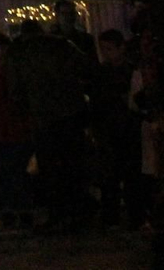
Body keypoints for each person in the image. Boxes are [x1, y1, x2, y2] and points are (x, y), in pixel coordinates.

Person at [8, 18, 97, 233]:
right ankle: (78, 214)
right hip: (71, 113)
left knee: (50, 170)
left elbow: (15, 89)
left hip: (44, 117)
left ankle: (57, 215)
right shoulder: (62, 45)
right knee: (73, 166)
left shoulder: (20, 53)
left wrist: (26, 108)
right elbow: (88, 69)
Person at [0, 30, 35, 226]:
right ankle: (10, 209)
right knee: (4, 172)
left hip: (16, 125)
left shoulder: (13, 70)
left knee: (20, 170)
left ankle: (24, 209)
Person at [93, 28, 144, 228]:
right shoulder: (102, 72)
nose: (106, 53)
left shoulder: (131, 71)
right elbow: (97, 102)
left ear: (121, 48)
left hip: (128, 128)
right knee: (110, 176)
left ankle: (134, 215)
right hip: (109, 128)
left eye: (109, 49)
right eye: (103, 49)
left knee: (131, 175)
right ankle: (111, 216)